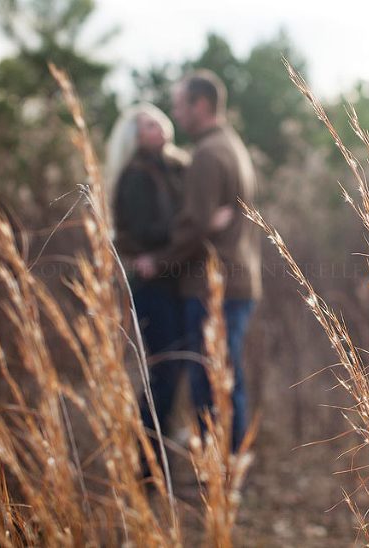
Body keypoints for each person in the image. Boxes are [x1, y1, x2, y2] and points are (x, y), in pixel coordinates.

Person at [133, 70, 262, 453]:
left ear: (200, 105)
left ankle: (220, 474)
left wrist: (157, 261)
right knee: (224, 378)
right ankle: (227, 467)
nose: (175, 113)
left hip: (214, 285)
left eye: (179, 105)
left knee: (211, 382)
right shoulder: (231, 144)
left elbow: (195, 227)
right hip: (236, 281)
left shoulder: (207, 155)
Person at [106, 103, 232, 475]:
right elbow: (142, 232)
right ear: (135, 136)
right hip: (151, 284)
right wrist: (200, 224)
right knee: (164, 371)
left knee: (177, 371)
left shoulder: (177, 166)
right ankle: (146, 468)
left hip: (176, 280)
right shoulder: (136, 175)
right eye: (147, 125)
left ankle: (156, 461)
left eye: (159, 120)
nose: (158, 126)